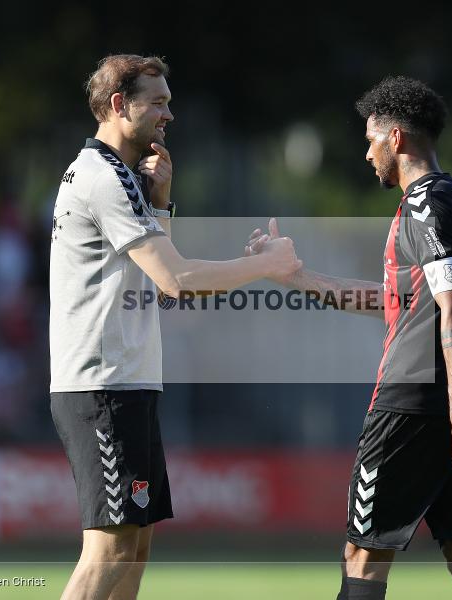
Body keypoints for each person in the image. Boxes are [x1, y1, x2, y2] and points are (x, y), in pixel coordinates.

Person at [247, 76, 452, 600]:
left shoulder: (425, 205)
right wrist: (298, 277)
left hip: (417, 400)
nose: (366, 150)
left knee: (362, 556)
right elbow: (397, 302)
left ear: (395, 138)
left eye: (371, 137)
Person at [49, 54, 301, 600]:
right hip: (102, 386)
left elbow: (147, 283)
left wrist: (160, 204)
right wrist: (270, 266)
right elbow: (178, 280)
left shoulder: (119, 176)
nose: (169, 114)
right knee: (108, 553)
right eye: (158, 102)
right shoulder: (101, 176)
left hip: (127, 383)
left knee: (133, 550)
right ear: (120, 105)